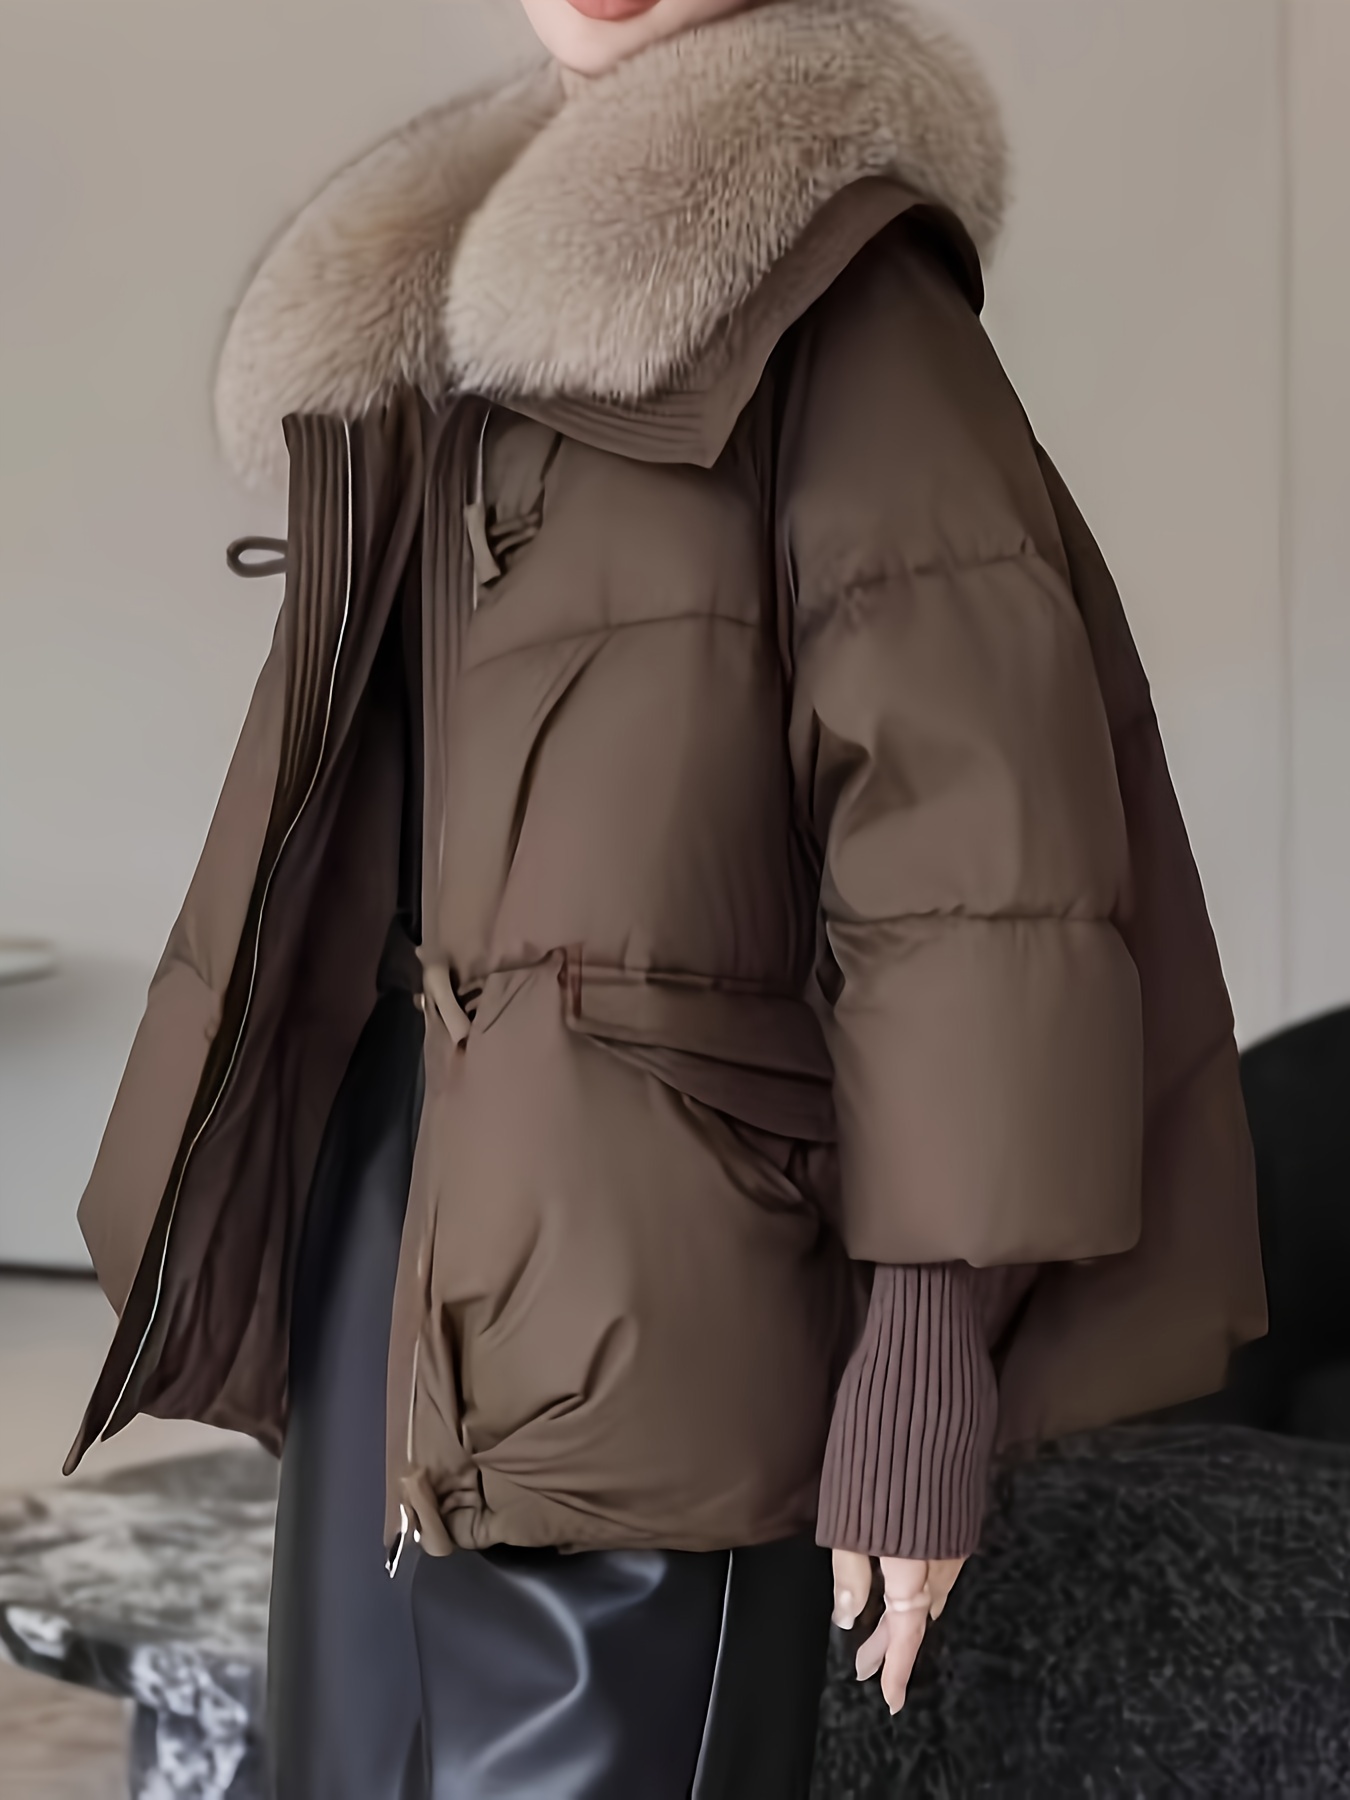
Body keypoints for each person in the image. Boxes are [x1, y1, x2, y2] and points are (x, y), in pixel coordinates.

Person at [66, 1, 1267, 1794]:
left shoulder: (848, 305)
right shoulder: (430, 315)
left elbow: (975, 876)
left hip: (666, 1289)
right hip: (385, 1251)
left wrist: (923, 1344)